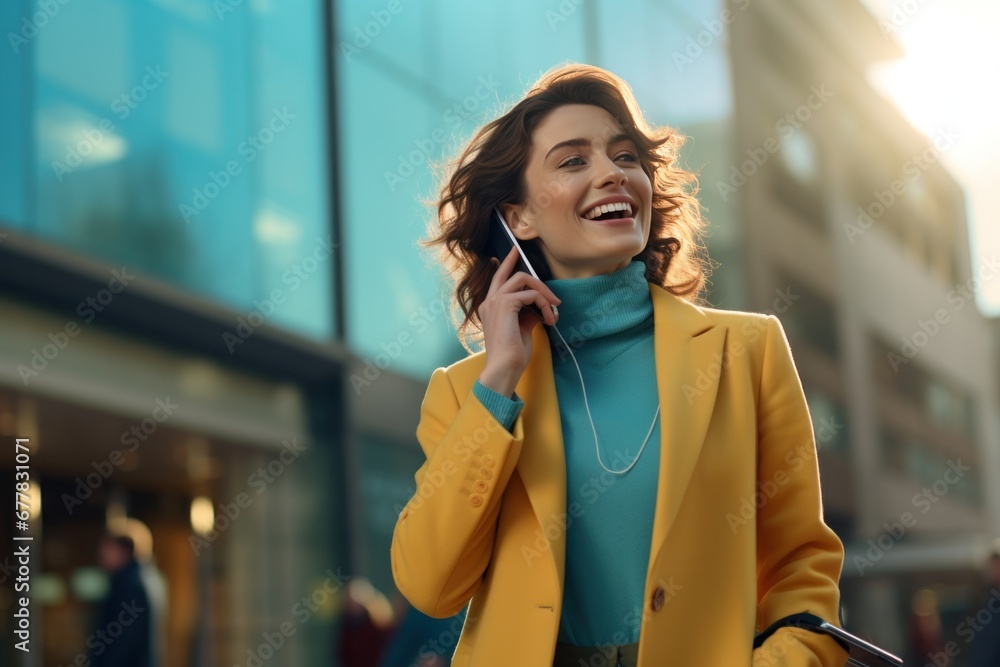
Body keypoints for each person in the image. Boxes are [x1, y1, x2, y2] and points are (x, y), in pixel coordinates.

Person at [390, 63, 848, 666]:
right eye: (573, 161)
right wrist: (499, 379)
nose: (611, 174)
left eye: (626, 156)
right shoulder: (465, 393)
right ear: (518, 217)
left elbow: (800, 569)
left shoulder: (748, 352)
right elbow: (431, 583)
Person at [90, 532, 153, 667]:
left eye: (108, 549)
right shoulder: (126, 582)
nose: (102, 555)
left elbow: (124, 641)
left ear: (123, 552)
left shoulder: (130, 587)